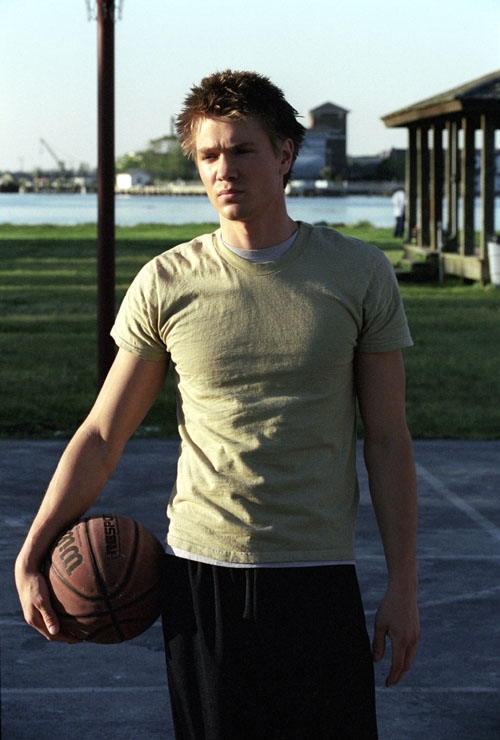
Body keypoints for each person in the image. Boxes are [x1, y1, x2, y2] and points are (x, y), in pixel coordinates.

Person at [15, 70, 419, 740]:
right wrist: (32, 551)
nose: (223, 170)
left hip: (317, 575)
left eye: (241, 150)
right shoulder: (166, 282)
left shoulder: (358, 272)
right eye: (208, 155)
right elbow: (103, 434)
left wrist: (403, 586)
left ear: (284, 154)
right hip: (201, 578)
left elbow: (387, 439)